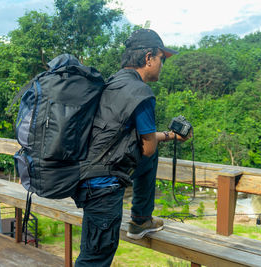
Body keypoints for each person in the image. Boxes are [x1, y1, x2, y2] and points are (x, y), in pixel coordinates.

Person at [73, 29, 189, 266]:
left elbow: (129, 137)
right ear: (148, 58)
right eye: (161, 59)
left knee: (93, 253)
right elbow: (147, 149)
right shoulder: (141, 93)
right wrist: (162, 139)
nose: (162, 65)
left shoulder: (112, 83)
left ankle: (141, 219)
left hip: (87, 179)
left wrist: (169, 136)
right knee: (94, 260)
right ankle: (140, 219)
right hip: (104, 188)